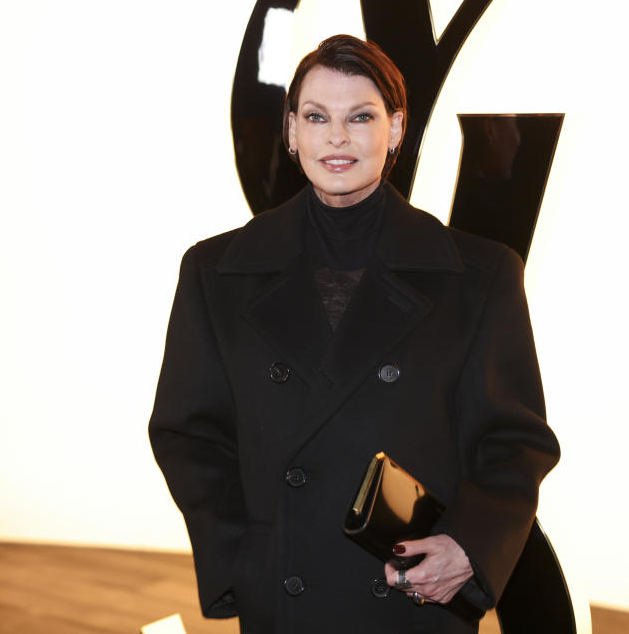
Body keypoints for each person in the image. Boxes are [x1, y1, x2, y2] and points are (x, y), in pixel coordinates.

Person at [149, 34, 560, 633]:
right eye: (316, 117)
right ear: (291, 132)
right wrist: (244, 557)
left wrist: (468, 548)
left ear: (395, 130)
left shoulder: (480, 274)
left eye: (360, 116)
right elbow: (188, 433)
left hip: (410, 595)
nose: (336, 137)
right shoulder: (216, 271)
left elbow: (515, 444)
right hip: (285, 599)